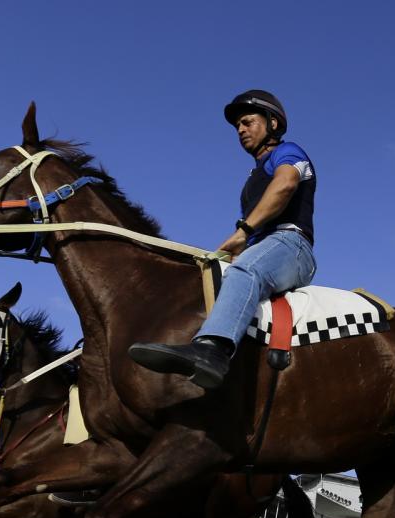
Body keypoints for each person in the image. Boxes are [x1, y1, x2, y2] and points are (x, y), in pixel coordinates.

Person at [130, 90, 317, 389]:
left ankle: (212, 352)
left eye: (247, 122)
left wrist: (243, 232)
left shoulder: (288, 152)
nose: (240, 130)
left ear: (273, 124)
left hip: (292, 246)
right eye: (237, 126)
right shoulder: (253, 175)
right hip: (265, 247)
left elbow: (285, 185)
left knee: (245, 270)